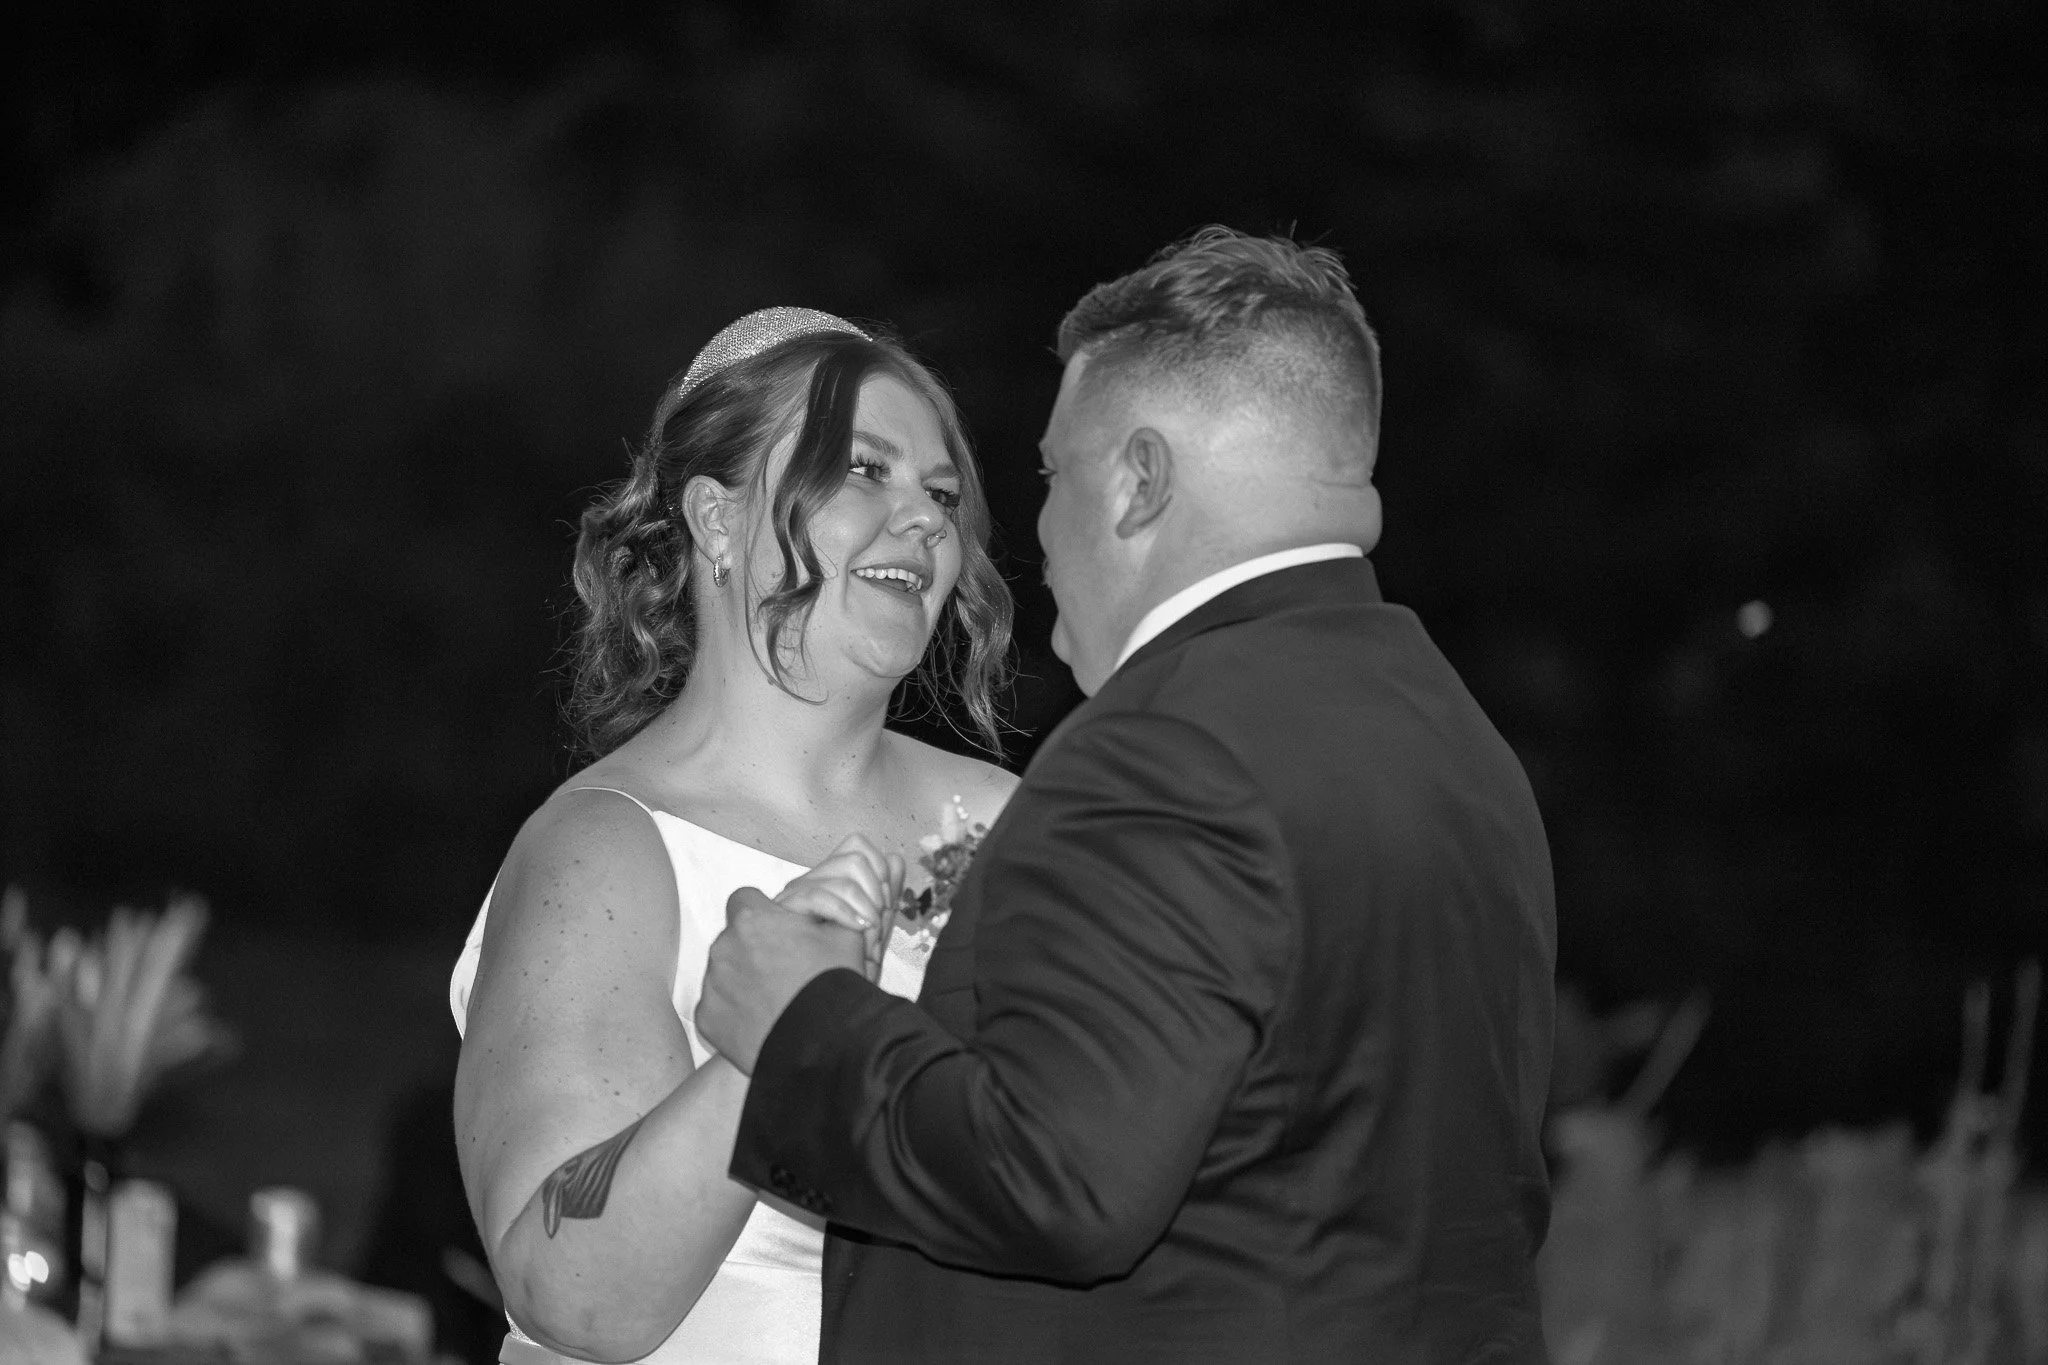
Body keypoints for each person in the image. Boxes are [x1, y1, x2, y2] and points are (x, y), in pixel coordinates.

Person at [698, 229, 1558, 1362]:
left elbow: (1057, 1179)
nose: (1031, 531)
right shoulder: (1457, 747)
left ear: (1140, 481)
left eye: (1053, 475)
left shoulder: (1168, 746)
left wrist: (801, 1021)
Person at [448, 306, 1016, 1365]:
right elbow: (574, 1295)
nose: (927, 521)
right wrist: (779, 1043)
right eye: (863, 471)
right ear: (714, 521)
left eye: (941, 495)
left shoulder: (1005, 825)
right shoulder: (605, 856)